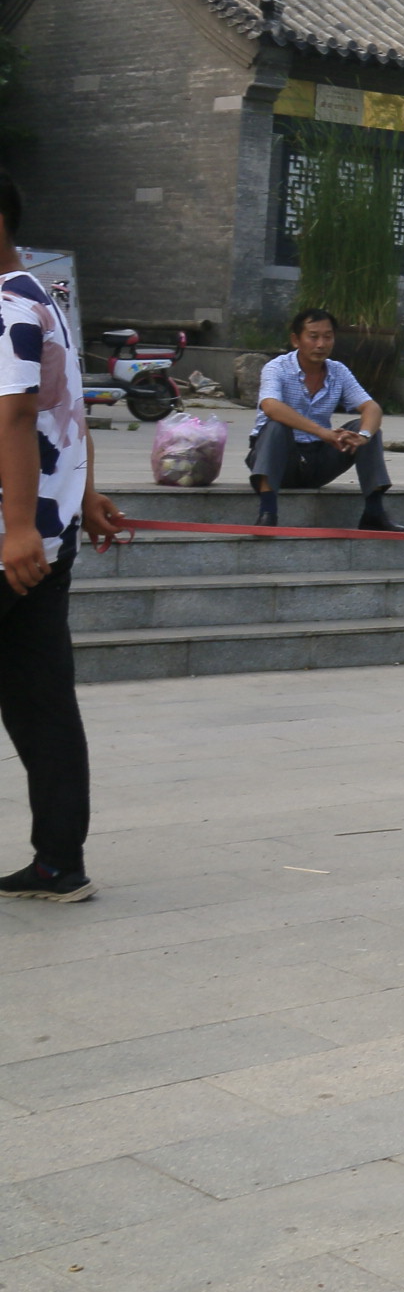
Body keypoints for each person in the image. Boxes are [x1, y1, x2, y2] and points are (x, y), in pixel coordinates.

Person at [0, 168, 126, 904]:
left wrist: (18, 527)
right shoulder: (43, 298)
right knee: (41, 698)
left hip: (14, 541)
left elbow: (16, 417)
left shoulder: (7, 307)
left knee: (41, 699)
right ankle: (58, 862)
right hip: (47, 538)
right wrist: (84, 495)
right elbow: (66, 412)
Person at [250, 310, 403, 530]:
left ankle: (374, 512)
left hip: (317, 461)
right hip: (278, 459)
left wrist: (363, 436)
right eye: (313, 336)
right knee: (275, 425)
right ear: (296, 340)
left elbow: (371, 407)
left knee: (369, 431)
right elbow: (270, 406)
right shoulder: (277, 368)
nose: (321, 344)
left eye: (327, 337)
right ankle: (267, 511)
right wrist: (322, 432)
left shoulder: (338, 371)